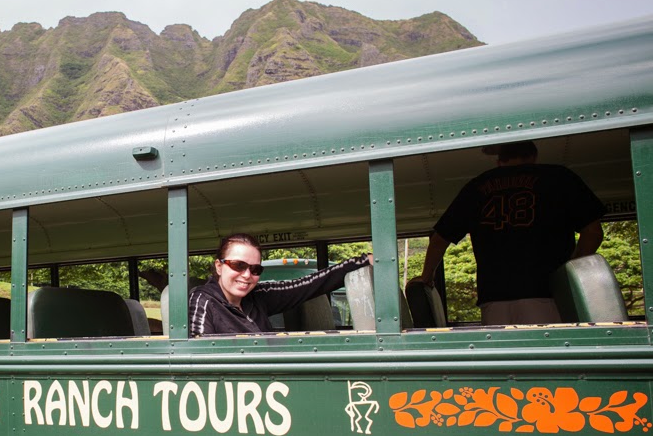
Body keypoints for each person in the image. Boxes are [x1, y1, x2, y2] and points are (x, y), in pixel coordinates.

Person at [412, 140, 604, 325]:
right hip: (547, 296)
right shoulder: (560, 177)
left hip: (493, 300)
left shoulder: (477, 186)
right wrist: (568, 278)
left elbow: (439, 239)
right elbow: (593, 232)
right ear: (534, 156)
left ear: (499, 162)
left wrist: (427, 277)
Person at [188, 233, 371, 336]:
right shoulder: (203, 300)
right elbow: (201, 355)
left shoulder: (258, 296)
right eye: (238, 265)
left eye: (255, 270)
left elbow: (307, 285)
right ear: (219, 267)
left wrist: (362, 262)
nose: (246, 275)